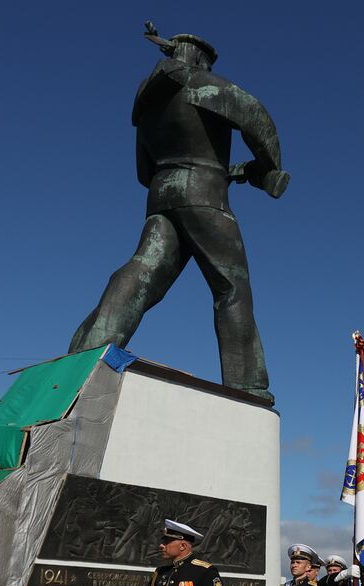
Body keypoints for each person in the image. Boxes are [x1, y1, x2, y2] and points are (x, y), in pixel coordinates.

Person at [68, 27, 288, 402]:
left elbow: (144, 171)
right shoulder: (205, 85)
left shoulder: (148, 105)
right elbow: (257, 119)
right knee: (231, 287)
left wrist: (228, 170)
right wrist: (268, 165)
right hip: (204, 196)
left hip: (161, 195)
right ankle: (247, 385)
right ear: (199, 57)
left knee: (140, 273)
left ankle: (83, 357)